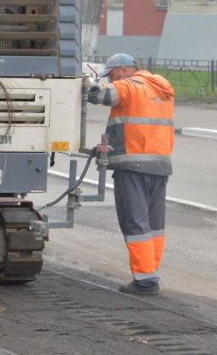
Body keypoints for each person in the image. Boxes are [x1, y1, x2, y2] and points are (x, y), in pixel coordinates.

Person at [87, 53, 175, 296]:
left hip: (132, 166)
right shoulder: (161, 88)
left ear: (124, 70)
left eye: (112, 74)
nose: (111, 79)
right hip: (159, 165)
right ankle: (150, 272)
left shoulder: (129, 85)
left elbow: (102, 95)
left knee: (135, 222)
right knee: (154, 224)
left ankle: (146, 281)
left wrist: (87, 84)